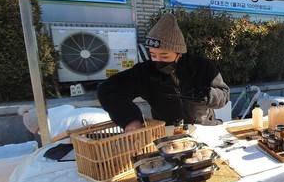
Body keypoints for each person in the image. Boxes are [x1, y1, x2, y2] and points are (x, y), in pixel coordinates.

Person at [98, 13, 230, 131]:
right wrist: (131, 119)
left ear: (179, 54)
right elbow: (108, 90)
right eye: (153, 55)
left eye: (165, 56)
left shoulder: (200, 66)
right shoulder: (145, 72)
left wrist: (207, 95)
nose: (158, 61)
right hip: (169, 132)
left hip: (206, 128)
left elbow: (224, 95)